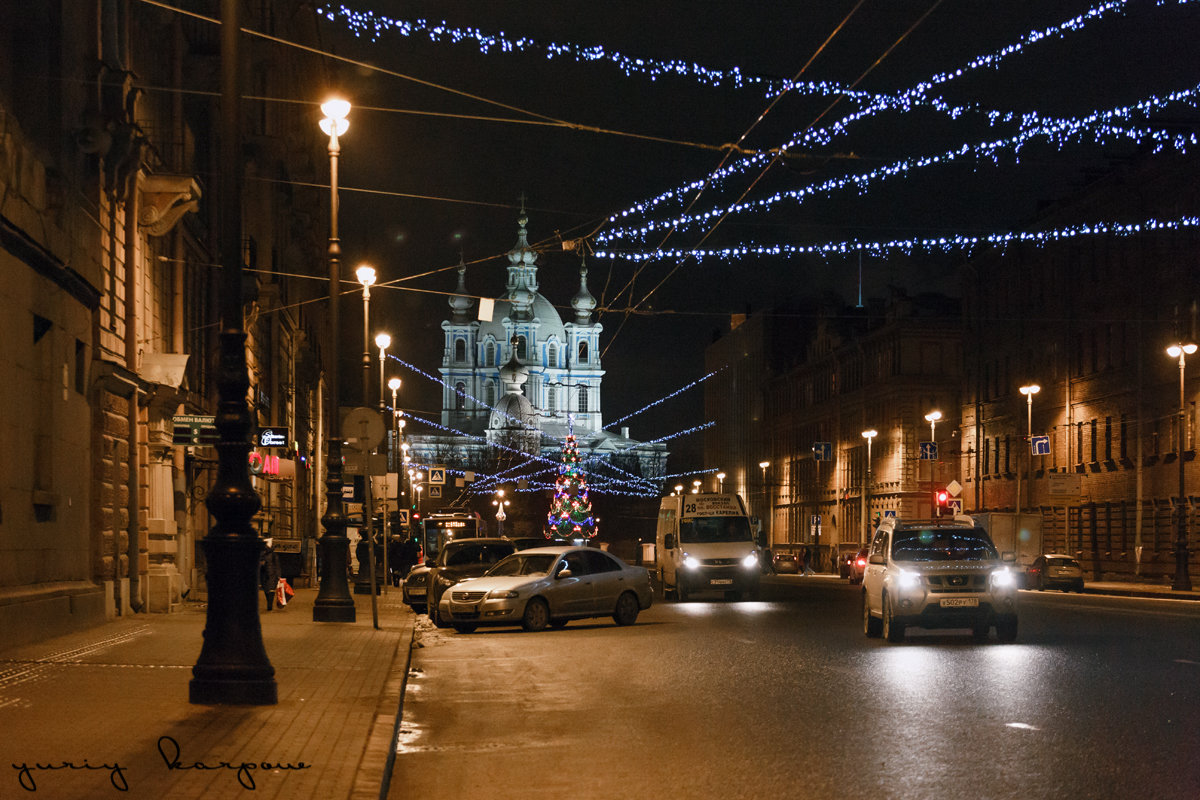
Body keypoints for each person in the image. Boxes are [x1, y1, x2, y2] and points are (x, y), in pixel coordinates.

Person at [259, 537, 282, 611]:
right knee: (266, 589)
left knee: (271, 589)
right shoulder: (262, 554)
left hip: (271, 574)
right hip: (264, 573)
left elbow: (277, 565)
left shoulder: (272, 554)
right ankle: (269, 603)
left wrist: (278, 575)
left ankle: (269, 604)